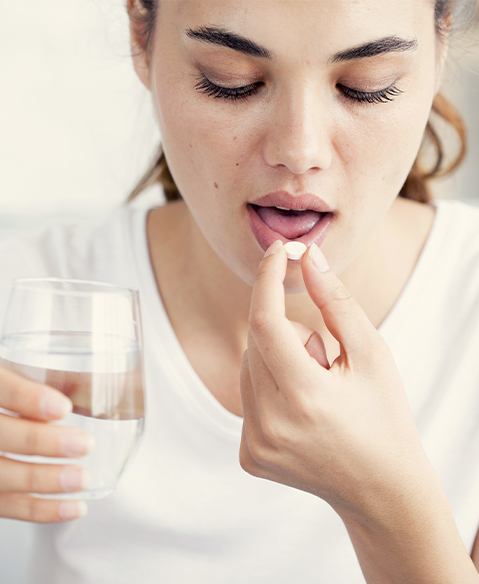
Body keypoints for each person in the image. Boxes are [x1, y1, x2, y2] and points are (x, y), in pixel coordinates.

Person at [0, 0, 478, 582]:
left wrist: (387, 505)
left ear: (441, 46)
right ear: (140, 37)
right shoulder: (23, 306)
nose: (299, 152)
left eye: (365, 87)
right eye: (231, 82)